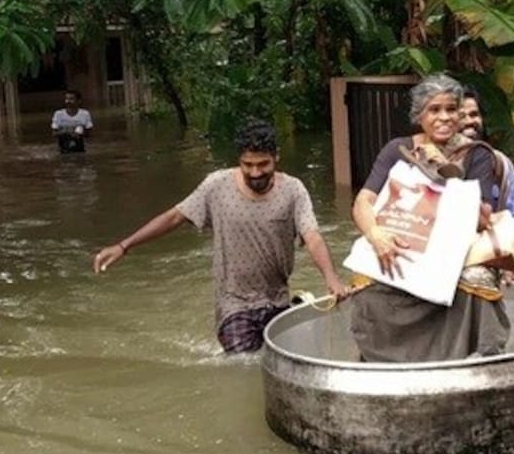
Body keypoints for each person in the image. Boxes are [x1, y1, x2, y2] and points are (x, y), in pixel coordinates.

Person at [92, 118, 347, 353]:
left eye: (263, 164)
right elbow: (175, 217)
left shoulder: (293, 190)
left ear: (276, 157)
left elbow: (312, 237)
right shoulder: (216, 186)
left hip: (277, 301)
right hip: (233, 304)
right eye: (248, 165)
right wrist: (124, 246)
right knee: (242, 367)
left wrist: (331, 278)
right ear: (239, 160)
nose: (256, 172)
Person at [349, 74, 508, 362]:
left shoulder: (476, 154)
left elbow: (483, 219)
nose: (444, 117)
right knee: (367, 278)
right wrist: (376, 235)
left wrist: (446, 169)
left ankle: (480, 358)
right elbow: (364, 201)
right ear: (419, 116)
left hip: (454, 248)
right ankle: (379, 359)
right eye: (434, 110)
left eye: (451, 109)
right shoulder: (397, 149)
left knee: (479, 279)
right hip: (408, 238)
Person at [460, 88, 514, 237]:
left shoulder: (500, 164)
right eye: (461, 116)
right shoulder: (434, 161)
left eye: (474, 114)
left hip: (486, 252)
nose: (469, 121)